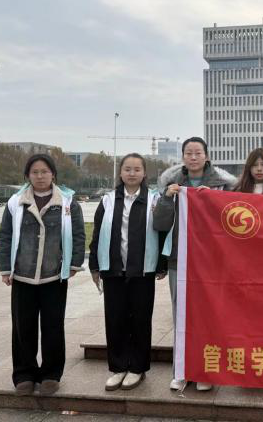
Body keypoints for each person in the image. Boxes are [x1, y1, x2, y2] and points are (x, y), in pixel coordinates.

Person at [0, 154, 85, 396]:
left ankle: (51, 374)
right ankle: (24, 375)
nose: (40, 176)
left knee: (53, 326)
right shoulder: (16, 202)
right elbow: (5, 235)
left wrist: (74, 263)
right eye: (34, 172)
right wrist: (5, 268)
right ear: (28, 175)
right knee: (22, 328)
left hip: (54, 276)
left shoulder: (67, 202)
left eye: (44, 171)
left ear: (53, 174)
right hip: (22, 276)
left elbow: (78, 234)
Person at [153, 137, 236, 391]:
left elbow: (232, 221)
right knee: (181, 315)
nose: (193, 157)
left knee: (209, 315)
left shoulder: (223, 185)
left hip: (211, 261)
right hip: (179, 259)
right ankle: (181, 370)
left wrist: (212, 201)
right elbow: (160, 224)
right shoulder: (172, 185)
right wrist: (167, 199)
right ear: (183, 157)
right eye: (188, 153)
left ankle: (206, 370)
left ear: (207, 156)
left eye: (198, 152)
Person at [89, 153, 169, 391]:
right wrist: (94, 265)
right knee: (115, 319)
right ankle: (118, 367)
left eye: (137, 169)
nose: (132, 173)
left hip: (143, 270)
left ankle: (137, 368)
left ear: (144, 173)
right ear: (120, 172)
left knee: (140, 320)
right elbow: (97, 233)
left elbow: (163, 232)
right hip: (113, 269)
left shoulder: (155, 199)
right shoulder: (107, 200)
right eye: (127, 169)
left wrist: (161, 264)